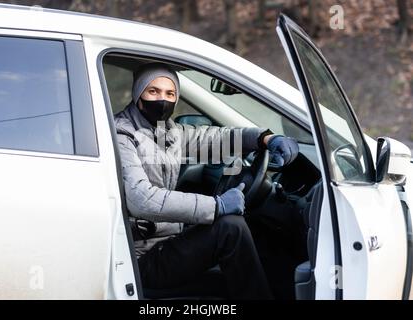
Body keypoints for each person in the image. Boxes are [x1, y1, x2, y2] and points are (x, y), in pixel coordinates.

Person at [114, 62, 299, 299]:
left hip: (165, 241)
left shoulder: (165, 130)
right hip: (140, 259)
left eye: (170, 93)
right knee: (230, 228)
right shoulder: (123, 134)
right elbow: (143, 200)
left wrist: (266, 139)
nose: (162, 99)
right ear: (138, 92)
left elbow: (216, 138)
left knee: (227, 277)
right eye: (153, 91)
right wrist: (217, 206)